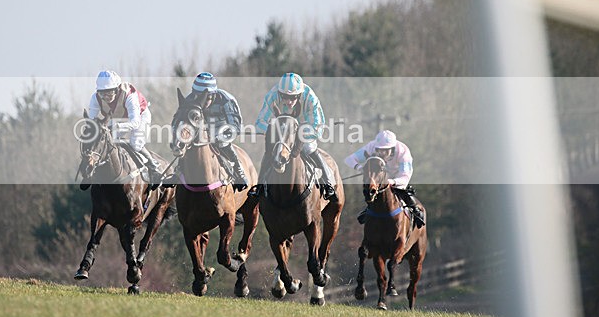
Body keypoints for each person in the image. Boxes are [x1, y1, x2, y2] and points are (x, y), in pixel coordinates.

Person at [249, 72, 338, 202]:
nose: (289, 101)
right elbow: (260, 123)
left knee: (308, 148)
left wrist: (297, 136)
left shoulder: (310, 97)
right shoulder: (272, 96)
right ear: (280, 93)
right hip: (282, 128)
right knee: (273, 149)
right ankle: (260, 186)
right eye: (285, 97)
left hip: (304, 127)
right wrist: (274, 130)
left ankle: (328, 182)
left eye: (293, 97)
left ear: (299, 94)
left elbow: (317, 127)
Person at [171, 72, 248, 191]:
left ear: (213, 95)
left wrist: (217, 137)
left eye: (206, 98)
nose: (201, 101)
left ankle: (239, 173)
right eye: (197, 96)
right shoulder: (190, 100)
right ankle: (178, 171)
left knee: (223, 144)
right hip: (199, 132)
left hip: (221, 129)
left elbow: (236, 127)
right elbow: (178, 121)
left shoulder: (226, 100)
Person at [85, 70, 162, 184]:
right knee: (105, 141)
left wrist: (117, 126)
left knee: (135, 144)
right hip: (117, 119)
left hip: (140, 117)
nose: (105, 97)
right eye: (102, 93)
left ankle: (153, 166)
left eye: (109, 93)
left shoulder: (129, 96)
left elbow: (135, 122)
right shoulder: (95, 98)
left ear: (117, 89)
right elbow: (91, 122)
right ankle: (93, 171)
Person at [345, 129, 425, 227]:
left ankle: (415, 211)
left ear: (392, 148)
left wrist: (391, 182)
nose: (382, 153)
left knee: (403, 191)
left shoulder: (403, 152)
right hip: (379, 178)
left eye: (386, 150)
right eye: (379, 150)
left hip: (397, 178)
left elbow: (405, 176)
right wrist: (361, 168)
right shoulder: (371, 147)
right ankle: (368, 209)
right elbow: (349, 159)